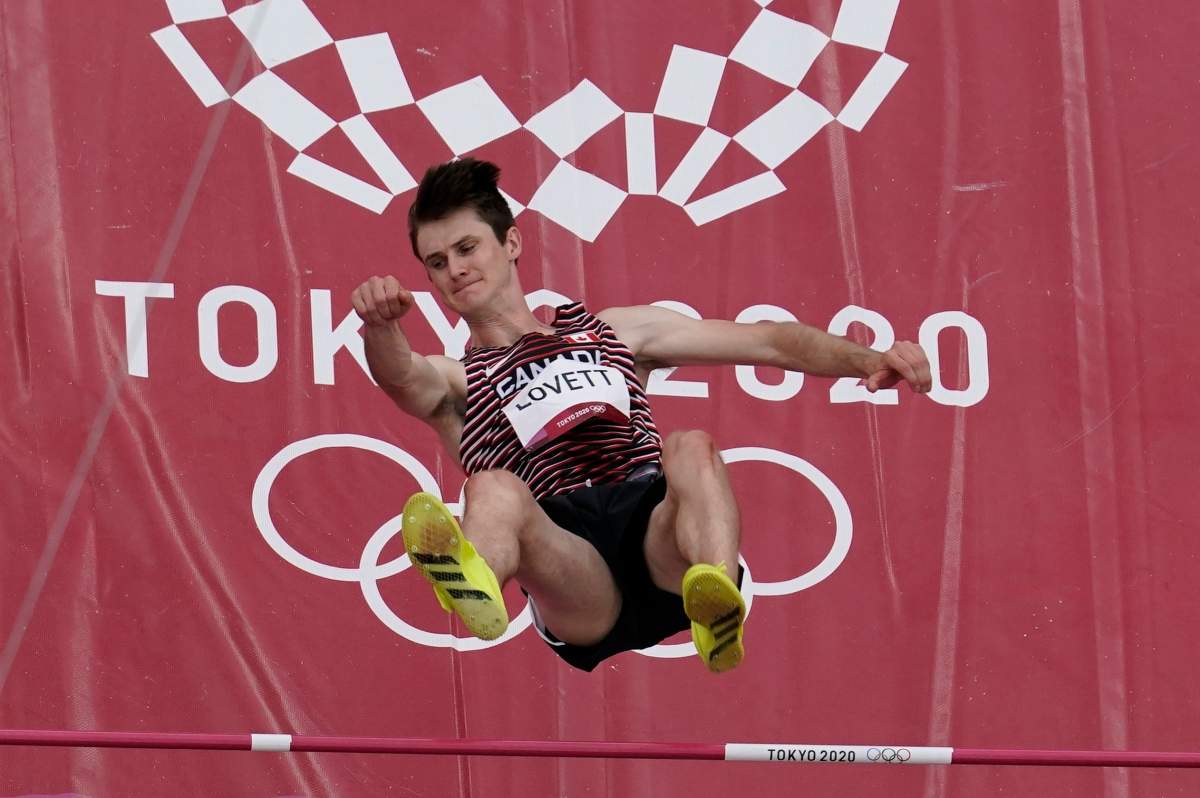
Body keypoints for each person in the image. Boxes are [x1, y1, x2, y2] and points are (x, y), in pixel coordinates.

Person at [351, 158, 931, 673]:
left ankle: (718, 599)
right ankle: (476, 582)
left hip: (659, 541)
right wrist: (380, 324)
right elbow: (399, 375)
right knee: (493, 488)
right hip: (570, 563)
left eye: (467, 248)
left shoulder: (615, 333)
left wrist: (869, 360)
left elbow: (771, 342)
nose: (454, 269)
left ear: (512, 243)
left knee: (691, 446)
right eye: (437, 262)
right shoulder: (456, 380)